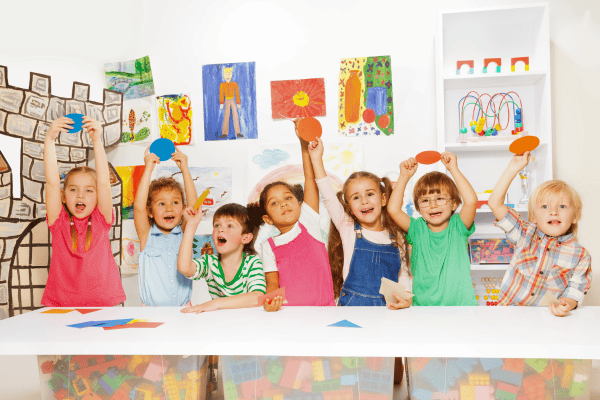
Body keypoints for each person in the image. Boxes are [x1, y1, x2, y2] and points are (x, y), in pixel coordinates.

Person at [308, 137, 411, 309]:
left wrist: (406, 298)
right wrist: (316, 158)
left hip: (387, 311)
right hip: (352, 309)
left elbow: (403, 274)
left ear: (383, 199)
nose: (364, 201)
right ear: (348, 208)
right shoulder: (347, 227)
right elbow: (327, 194)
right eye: (356, 197)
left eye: (370, 194)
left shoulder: (396, 236)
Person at [488, 151, 592, 316]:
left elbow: (576, 290)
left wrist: (567, 304)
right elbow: (494, 203)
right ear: (533, 217)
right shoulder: (524, 234)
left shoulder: (580, 255)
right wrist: (513, 168)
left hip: (547, 320)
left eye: (562, 206)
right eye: (545, 207)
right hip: (508, 316)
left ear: (575, 216)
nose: (553, 212)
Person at [248, 125, 335, 311]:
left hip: (325, 311)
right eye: (274, 203)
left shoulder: (308, 223)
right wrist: (270, 301)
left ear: (300, 204)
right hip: (290, 315)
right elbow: (272, 283)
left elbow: (310, 178)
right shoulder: (268, 247)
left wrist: (303, 142)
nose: (283, 204)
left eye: (288, 198)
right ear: (268, 219)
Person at [42, 116, 125, 306]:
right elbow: (52, 183)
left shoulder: (101, 218)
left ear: (97, 197)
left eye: (89, 190)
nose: (81, 195)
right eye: (73, 189)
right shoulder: (58, 220)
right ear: (63, 196)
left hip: (103, 302)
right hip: (63, 304)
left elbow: (104, 183)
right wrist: (49, 139)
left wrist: (97, 140)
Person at [388, 153, 478, 306]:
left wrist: (453, 168)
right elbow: (393, 210)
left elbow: (471, 201)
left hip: (461, 308)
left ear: (454, 204)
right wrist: (404, 177)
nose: (433, 205)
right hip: (423, 309)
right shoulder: (417, 229)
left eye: (440, 198)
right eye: (425, 201)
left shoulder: (458, 226)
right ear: (418, 208)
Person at [133, 147, 198, 306]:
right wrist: (148, 168)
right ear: (150, 211)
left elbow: (195, 206)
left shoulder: (185, 231)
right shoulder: (146, 234)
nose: (169, 208)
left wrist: (185, 169)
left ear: (183, 208)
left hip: (183, 310)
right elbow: (139, 208)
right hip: (151, 311)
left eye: (175, 203)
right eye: (161, 204)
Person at [178, 203, 266, 313]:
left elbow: (258, 297)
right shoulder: (209, 262)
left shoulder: (252, 262)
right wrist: (191, 225)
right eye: (217, 225)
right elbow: (184, 268)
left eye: (230, 226)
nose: (220, 229)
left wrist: (216, 303)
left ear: (245, 238)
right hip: (220, 324)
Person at [219, 66, 243, 139]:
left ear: (232, 75)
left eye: (229, 74)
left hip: (232, 100)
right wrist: (221, 103)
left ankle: (238, 132)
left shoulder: (234, 84)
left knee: (235, 115)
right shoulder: (222, 85)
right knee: (226, 116)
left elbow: (237, 93)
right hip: (226, 101)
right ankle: (224, 133)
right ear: (223, 75)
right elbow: (221, 94)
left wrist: (238, 102)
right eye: (226, 74)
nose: (228, 76)